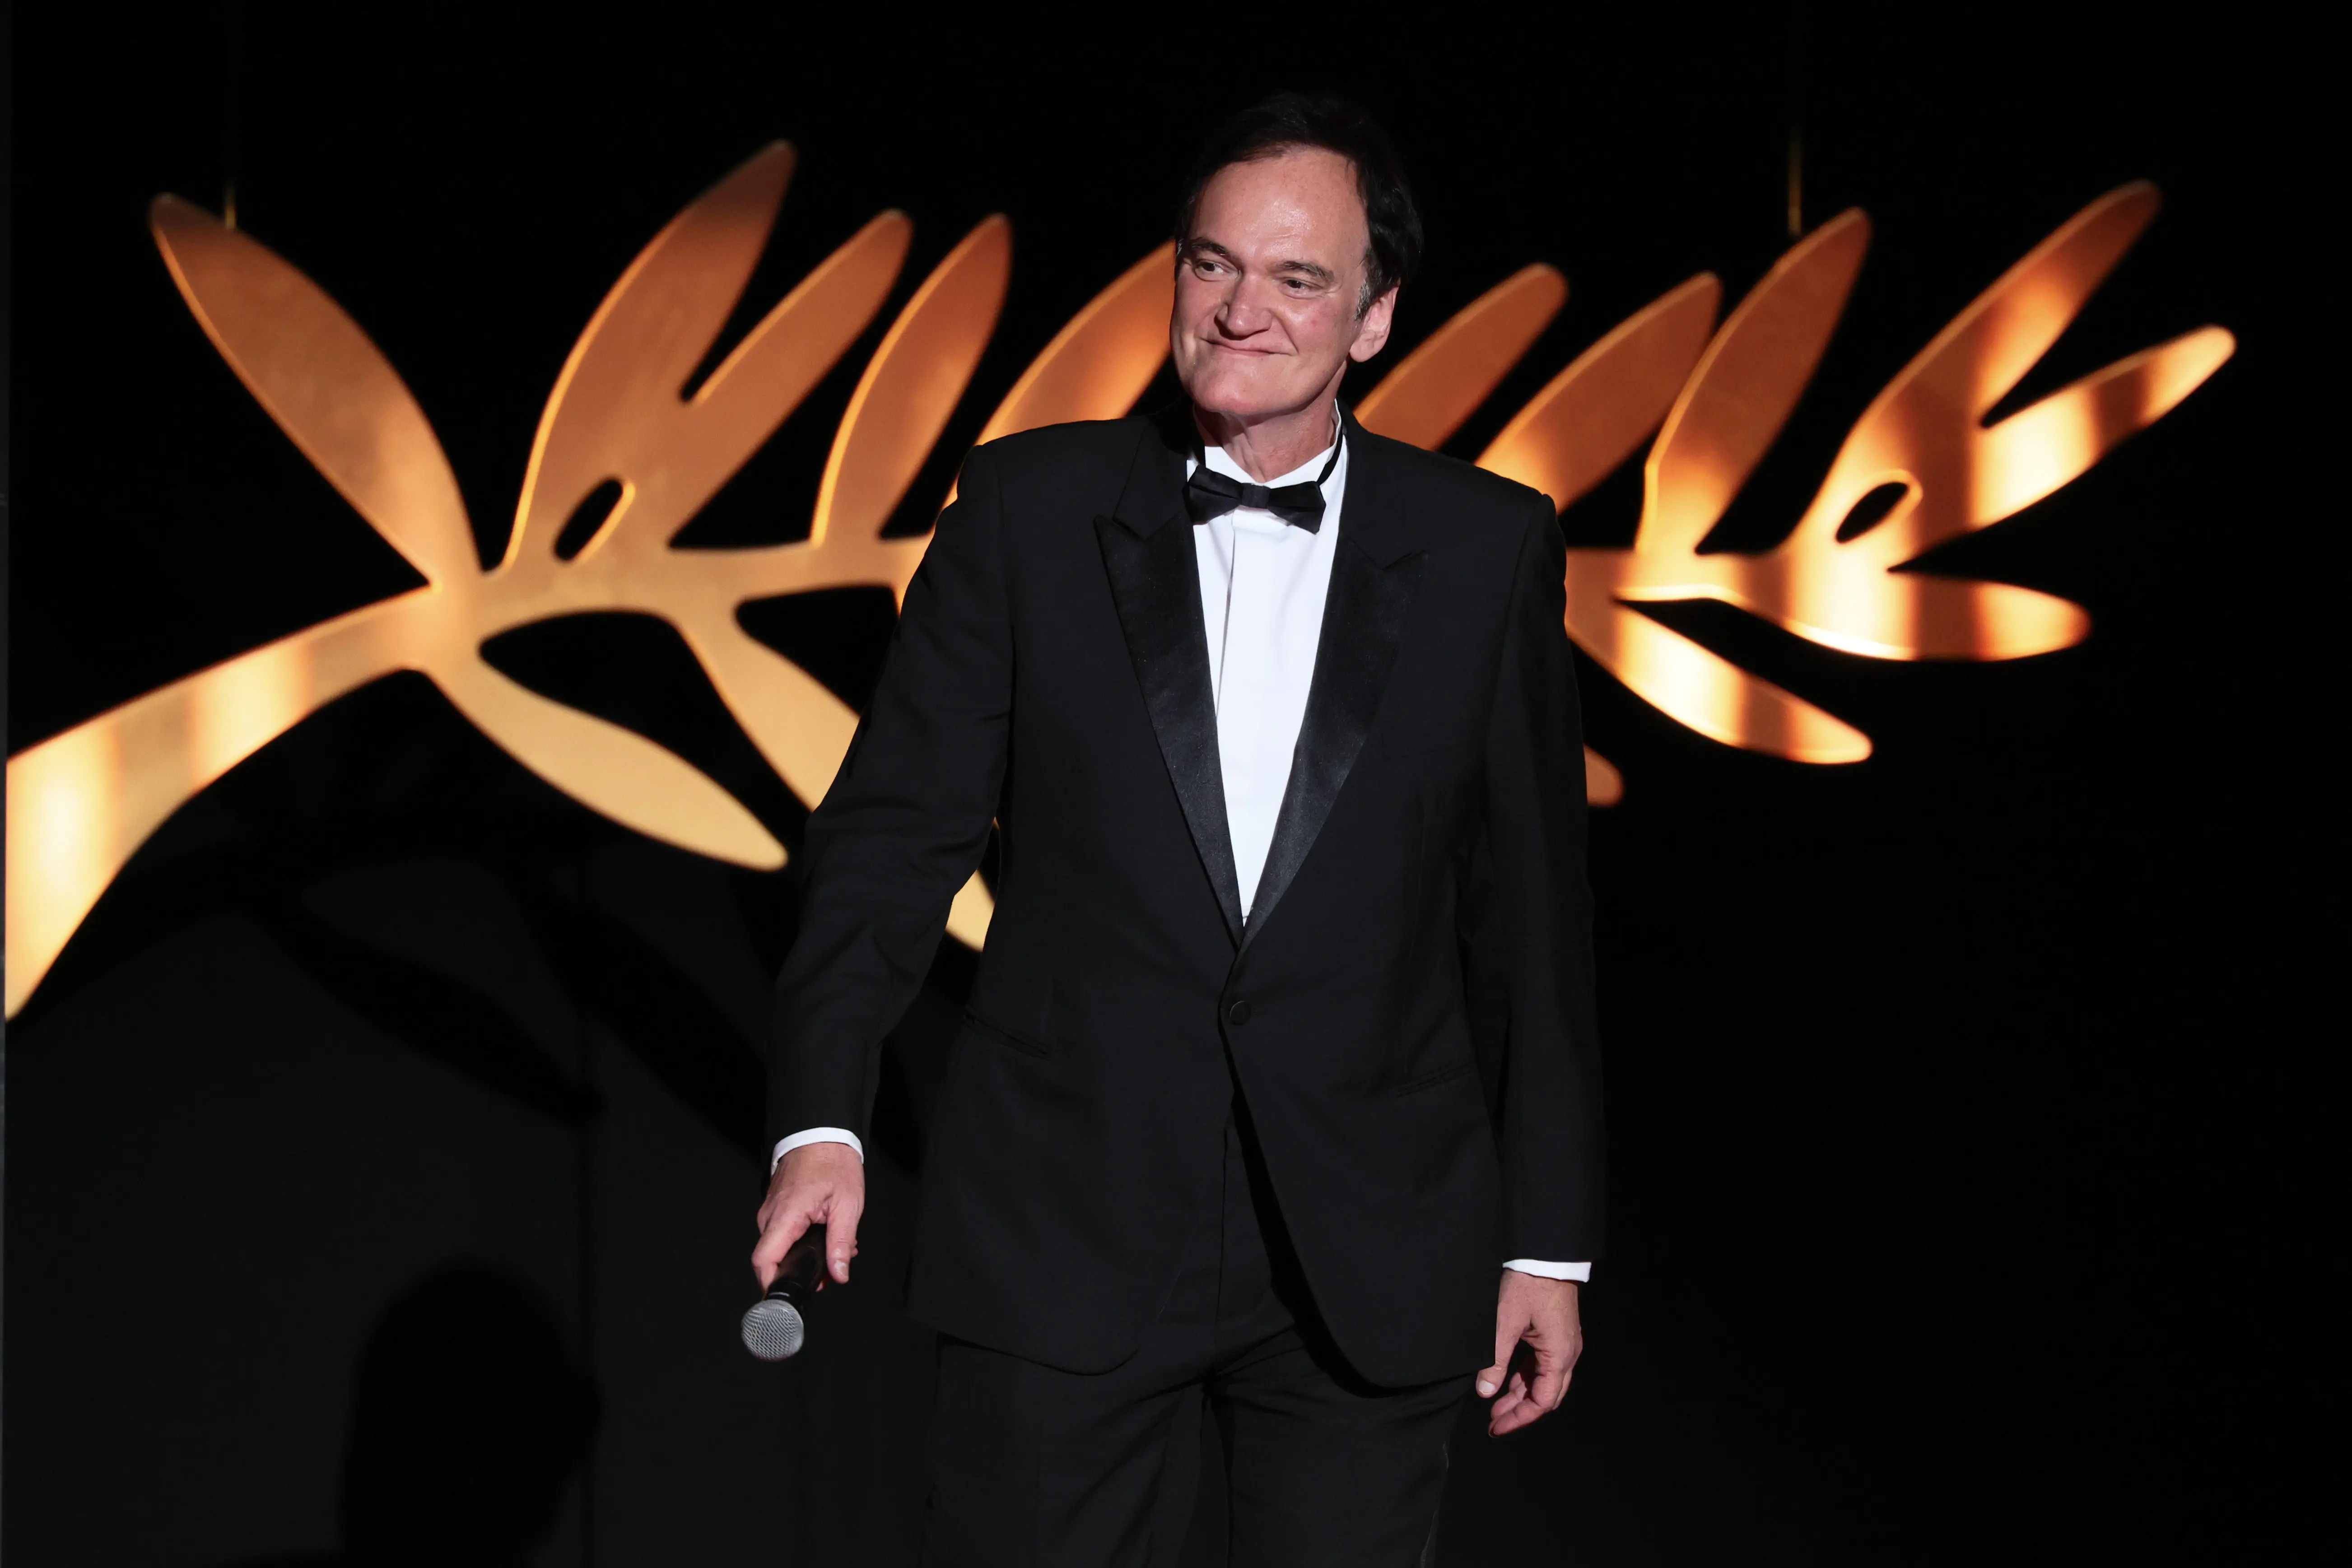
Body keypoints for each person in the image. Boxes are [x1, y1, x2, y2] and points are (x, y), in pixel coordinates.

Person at [754, 92, 1602, 1565]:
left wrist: (1547, 1239)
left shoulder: (1485, 547)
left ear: (1375, 319)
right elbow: (893, 837)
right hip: (1062, 1228)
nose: (1243, 311)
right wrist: (821, 1116)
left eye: (1298, 280)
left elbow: (1530, 917)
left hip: (1367, 1241)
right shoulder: (1029, 509)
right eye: (1213, 265)